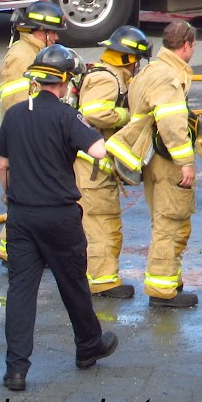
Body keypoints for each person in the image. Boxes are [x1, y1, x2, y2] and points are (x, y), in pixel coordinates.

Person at [0, 45, 118, 392]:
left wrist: (9, 195)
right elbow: (98, 150)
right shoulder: (66, 116)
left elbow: (3, 164)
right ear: (63, 83)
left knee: (20, 291)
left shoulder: (15, 114)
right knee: (72, 284)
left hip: (21, 216)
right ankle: (88, 346)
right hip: (59, 216)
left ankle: (15, 370)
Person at [104, 20, 199, 308]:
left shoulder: (149, 71)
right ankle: (162, 290)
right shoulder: (167, 77)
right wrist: (186, 162)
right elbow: (171, 122)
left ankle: (170, 279)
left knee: (165, 220)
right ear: (187, 45)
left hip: (151, 160)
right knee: (170, 222)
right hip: (166, 161)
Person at [74, 25, 152, 300]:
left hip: (90, 168)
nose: (138, 67)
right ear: (130, 58)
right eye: (137, 61)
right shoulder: (108, 79)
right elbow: (94, 112)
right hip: (92, 170)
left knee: (93, 224)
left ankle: (94, 275)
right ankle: (103, 281)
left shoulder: (107, 74)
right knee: (103, 224)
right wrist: (128, 116)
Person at [0, 0, 66, 264]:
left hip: (29, 138)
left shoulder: (33, 53)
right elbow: (16, 103)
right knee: (23, 199)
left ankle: (14, 249)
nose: (57, 38)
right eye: (54, 32)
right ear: (40, 31)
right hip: (24, 140)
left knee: (29, 197)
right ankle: (11, 251)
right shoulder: (21, 57)